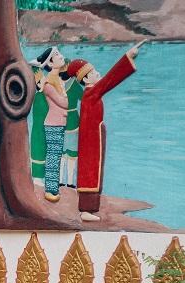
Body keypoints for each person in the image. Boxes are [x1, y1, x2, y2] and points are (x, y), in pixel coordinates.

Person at [68, 40, 144, 221]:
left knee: (94, 171)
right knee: (91, 172)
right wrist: (127, 57)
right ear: (86, 78)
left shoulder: (90, 92)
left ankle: (90, 209)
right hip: (91, 138)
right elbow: (110, 80)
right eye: (94, 72)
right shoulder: (91, 92)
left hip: (94, 136)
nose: (98, 74)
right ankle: (86, 210)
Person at [36, 47, 68, 202]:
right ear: (50, 62)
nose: (61, 57)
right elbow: (63, 102)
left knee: (56, 156)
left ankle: (53, 188)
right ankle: (50, 189)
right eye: (57, 55)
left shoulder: (58, 81)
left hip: (59, 124)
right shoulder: (49, 83)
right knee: (53, 157)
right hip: (53, 124)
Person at [29, 67, 48, 186]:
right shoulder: (40, 97)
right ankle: (37, 178)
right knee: (38, 151)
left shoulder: (41, 97)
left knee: (41, 151)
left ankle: (39, 178)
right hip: (39, 130)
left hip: (41, 129)